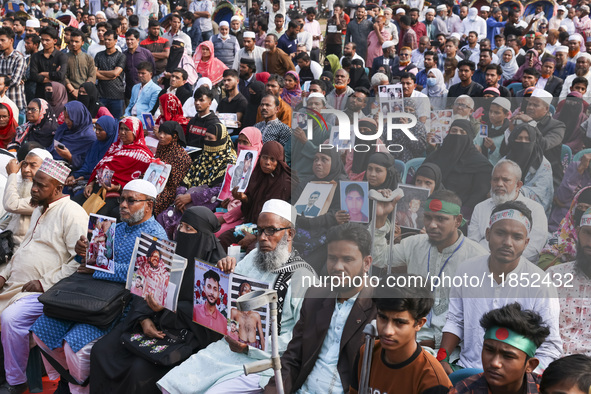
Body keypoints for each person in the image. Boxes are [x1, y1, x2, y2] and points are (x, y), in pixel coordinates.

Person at [158, 199, 316, 393]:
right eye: (259, 231)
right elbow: (226, 300)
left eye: (271, 231)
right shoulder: (252, 258)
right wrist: (223, 271)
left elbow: (302, 335)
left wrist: (251, 348)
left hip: (266, 361)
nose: (263, 238)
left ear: (289, 234)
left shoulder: (303, 277)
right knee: (172, 384)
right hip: (229, 348)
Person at [31, 179, 167, 394]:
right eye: (122, 199)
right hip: (89, 295)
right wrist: (82, 252)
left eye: (131, 201)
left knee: (75, 347)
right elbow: (89, 263)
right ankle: (70, 381)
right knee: (41, 332)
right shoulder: (117, 227)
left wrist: (100, 269)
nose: (122, 204)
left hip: (118, 306)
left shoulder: (156, 236)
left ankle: (80, 389)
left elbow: (142, 275)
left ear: (149, 205)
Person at [91, 206, 225, 393]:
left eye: (189, 229)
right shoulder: (167, 254)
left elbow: (208, 316)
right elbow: (144, 288)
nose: (182, 232)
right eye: (181, 227)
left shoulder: (215, 268)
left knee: (140, 370)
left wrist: (167, 309)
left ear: (203, 235)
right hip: (149, 321)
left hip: (184, 333)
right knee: (102, 351)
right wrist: (144, 319)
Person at [440, 201, 562, 373]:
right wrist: (442, 359)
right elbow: (455, 320)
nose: (507, 242)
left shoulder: (541, 283)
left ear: (526, 242)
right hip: (466, 369)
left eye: (517, 237)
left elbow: (550, 346)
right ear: (488, 234)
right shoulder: (466, 270)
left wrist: (524, 377)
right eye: (500, 233)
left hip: (515, 379)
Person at [0, 158, 88, 394]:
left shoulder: (73, 213)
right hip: (14, 284)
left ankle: (16, 382)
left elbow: (77, 263)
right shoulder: (39, 208)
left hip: (47, 291)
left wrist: (43, 282)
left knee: (11, 319)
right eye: (35, 184)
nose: (35, 189)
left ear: (58, 188)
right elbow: (23, 249)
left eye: (41, 185)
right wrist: (4, 274)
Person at [264, 223, 376, 393]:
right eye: (332, 258)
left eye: (347, 259)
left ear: (367, 263)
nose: (338, 267)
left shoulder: (380, 307)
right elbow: (293, 356)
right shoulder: (316, 295)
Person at [350, 276, 452, 394]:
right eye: (382, 318)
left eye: (399, 322)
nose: (387, 331)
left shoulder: (433, 380)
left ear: (419, 323)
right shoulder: (367, 353)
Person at [158, 114, 235, 238]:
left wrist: (191, 198)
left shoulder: (229, 163)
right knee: (163, 217)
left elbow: (219, 191)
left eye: (211, 139)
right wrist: (180, 197)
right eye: (206, 138)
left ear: (221, 140)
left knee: (185, 225)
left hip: (206, 204)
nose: (207, 142)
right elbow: (185, 180)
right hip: (185, 201)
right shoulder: (201, 158)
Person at [450, 303, 550, 394]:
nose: (495, 363)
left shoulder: (549, 390)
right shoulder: (463, 391)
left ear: (530, 365)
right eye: (489, 350)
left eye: (508, 356)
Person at [468, 159, 548, 264]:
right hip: (482, 265)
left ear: (518, 185)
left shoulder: (535, 210)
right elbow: (472, 244)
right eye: (495, 180)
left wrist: (501, 263)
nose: (499, 184)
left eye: (505, 180)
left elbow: (532, 250)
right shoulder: (480, 207)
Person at [217, 141, 291, 250]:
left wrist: (256, 236)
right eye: (264, 158)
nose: (267, 162)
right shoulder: (257, 175)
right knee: (224, 238)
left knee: (252, 248)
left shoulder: (285, 183)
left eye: (272, 159)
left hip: (270, 232)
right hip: (251, 225)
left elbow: (278, 221)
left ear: (279, 162)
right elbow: (249, 209)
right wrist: (244, 199)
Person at [81, 117, 153, 218]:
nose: (122, 132)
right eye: (121, 129)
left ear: (135, 132)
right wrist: (90, 184)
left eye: (126, 129)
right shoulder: (115, 146)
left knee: (96, 216)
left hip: (118, 195)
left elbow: (139, 185)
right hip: (99, 188)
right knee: (75, 204)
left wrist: (117, 187)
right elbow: (101, 165)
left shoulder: (144, 157)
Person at [423, 119, 492, 219]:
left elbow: (479, 194)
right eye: (454, 131)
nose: (457, 135)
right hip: (430, 207)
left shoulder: (481, 165)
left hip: (460, 214)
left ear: (469, 137)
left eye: (462, 132)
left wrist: (458, 214)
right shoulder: (436, 156)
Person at [0, 148, 52, 247]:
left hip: (26, 249)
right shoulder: (22, 188)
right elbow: (7, 220)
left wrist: (12, 174)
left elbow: (12, 205)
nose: (26, 170)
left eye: (32, 165)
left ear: (45, 169)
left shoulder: (45, 196)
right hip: (10, 246)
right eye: (24, 164)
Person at [503, 123, 554, 215]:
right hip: (505, 209)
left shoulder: (542, 165)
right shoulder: (504, 162)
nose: (523, 142)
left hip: (532, 212)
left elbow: (543, 194)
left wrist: (516, 191)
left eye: (527, 139)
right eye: (519, 138)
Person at [66, 115, 118, 192]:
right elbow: (87, 165)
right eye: (96, 129)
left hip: (101, 186)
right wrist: (75, 176)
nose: (96, 132)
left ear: (109, 131)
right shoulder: (96, 144)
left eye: (100, 130)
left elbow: (105, 179)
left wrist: (89, 180)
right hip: (89, 179)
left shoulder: (114, 150)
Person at [153, 121, 191, 216]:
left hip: (169, 190)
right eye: (160, 132)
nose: (161, 136)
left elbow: (174, 185)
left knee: (150, 200)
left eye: (166, 133)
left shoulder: (181, 157)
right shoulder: (161, 147)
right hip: (155, 182)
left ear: (175, 136)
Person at [49, 101, 97, 173]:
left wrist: (70, 157)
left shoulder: (89, 137)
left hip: (69, 171)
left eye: (70, 118)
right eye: (65, 117)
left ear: (79, 117)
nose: (67, 121)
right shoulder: (64, 128)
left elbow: (88, 164)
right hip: (52, 162)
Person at [94, 30, 126, 119]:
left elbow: (115, 73)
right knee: (101, 121)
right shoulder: (99, 55)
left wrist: (100, 72)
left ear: (115, 41)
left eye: (109, 39)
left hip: (117, 95)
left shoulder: (121, 56)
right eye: (105, 39)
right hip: (101, 94)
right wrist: (111, 76)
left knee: (117, 122)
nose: (107, 42)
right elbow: (94, 73)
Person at [29, 26, 68, 98]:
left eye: (47, 40)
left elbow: (61, 75)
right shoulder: (36, 56)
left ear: (55, 41)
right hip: (40, 93)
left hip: (57, 94)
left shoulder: (61, 56)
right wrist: (53, 77)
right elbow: (33, 76)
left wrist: (44, 73)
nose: (44, 42)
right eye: (42, 40)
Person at [0, 27, 26, 115]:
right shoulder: (0, 58)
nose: (0, 43)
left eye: (3, 40)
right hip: (1, 104)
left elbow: (15, 81)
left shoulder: (19, 58)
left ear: (11, 40)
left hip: (16, 102)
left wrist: (3, 80)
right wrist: (8, 77)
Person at [123, 29, 155, 99]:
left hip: (145, 92)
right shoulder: (124, 55)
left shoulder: (146, 53)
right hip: (129, 92)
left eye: (132, 39)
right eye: (127, 40)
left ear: (137, 40)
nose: (129, 42)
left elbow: (153, 70)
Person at [65, 29, 96, 100]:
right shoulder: (65, 57)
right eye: (72, 41)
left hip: (86, 93)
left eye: (76, 42)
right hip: (70, 93)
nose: (73, 44)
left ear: (82, 43)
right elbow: (64, 76)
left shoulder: (88, 58)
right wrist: (73, 90)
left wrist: (82, 90)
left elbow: (92, 76)